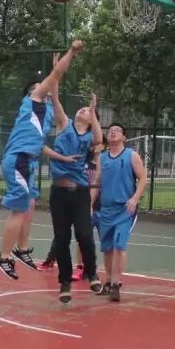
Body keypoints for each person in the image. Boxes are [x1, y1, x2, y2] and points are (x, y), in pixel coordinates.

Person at [0, 40, 85, 280]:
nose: (46, 87)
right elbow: (54, 78)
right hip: (18, 160)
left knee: (30, 202)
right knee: (19, 209)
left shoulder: (43, 114)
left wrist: (63, 157)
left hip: (28, 161)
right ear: (33, 92)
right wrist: (71, 53)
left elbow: (42, 145)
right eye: (42, 85)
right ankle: (3, 256)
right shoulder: (33, 100)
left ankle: (21, 248)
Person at [47, 94, 104, 303]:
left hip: (80, 193)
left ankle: (92, 273)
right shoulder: (64, 124)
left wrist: (93, 111)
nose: (83, 110)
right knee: (61, 239)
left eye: (87, 111)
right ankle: (65, 282)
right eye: (82, 109)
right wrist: (54, 81)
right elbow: (56, 101)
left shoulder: (90, 138)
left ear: (91, 120)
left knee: (84, 235)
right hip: (59, 193)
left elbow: (99, 139)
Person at [91, 122, 147, 301]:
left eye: (117, 130)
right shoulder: (102, 158)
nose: (113, 132)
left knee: (119, 246)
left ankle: (116, 284)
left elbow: (143, 179)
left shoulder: (131, 155)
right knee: (107, 249)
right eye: (110, 130)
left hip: (124, 210)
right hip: (105, 210)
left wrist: (135, 198)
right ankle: (108, 281)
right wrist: (89, 204)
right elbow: (96, 183)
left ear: (124, 136)